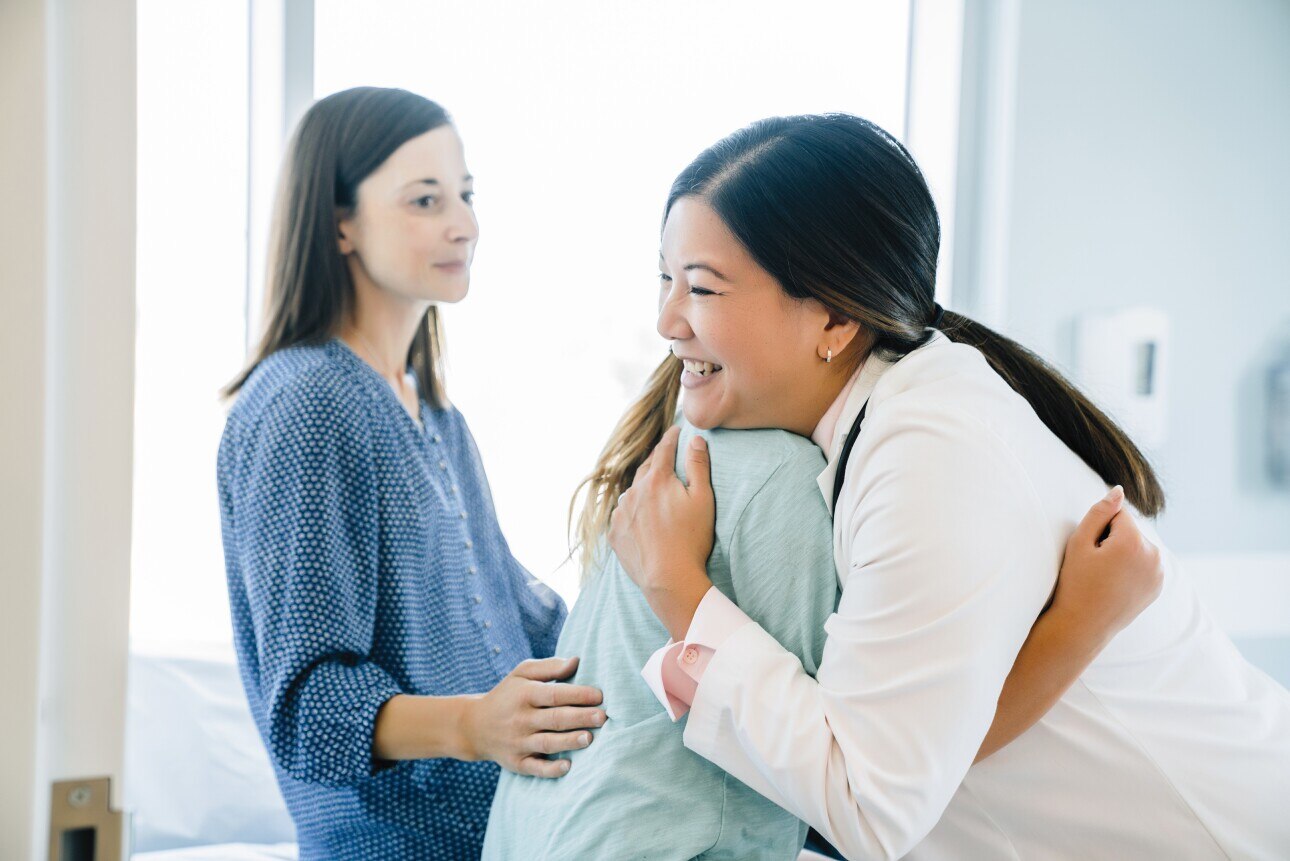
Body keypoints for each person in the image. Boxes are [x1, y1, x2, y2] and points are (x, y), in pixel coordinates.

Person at [610, 113, 1290, 859]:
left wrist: (679, 589)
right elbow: (906, 759)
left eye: (702, 287)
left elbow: (871, 804)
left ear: (834, 314)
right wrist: (1072, 630)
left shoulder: (931, 453)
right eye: (666, 278)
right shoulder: (842, 436)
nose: (667, 318)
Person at [217, 87, 605, 860]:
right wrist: (473, 725)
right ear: (340, 222)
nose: (463, 223)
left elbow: (517, 615)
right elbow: (311, 709)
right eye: (425, 200)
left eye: (465, 195)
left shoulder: (434, 414)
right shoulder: (308, 403)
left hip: (511, 833)